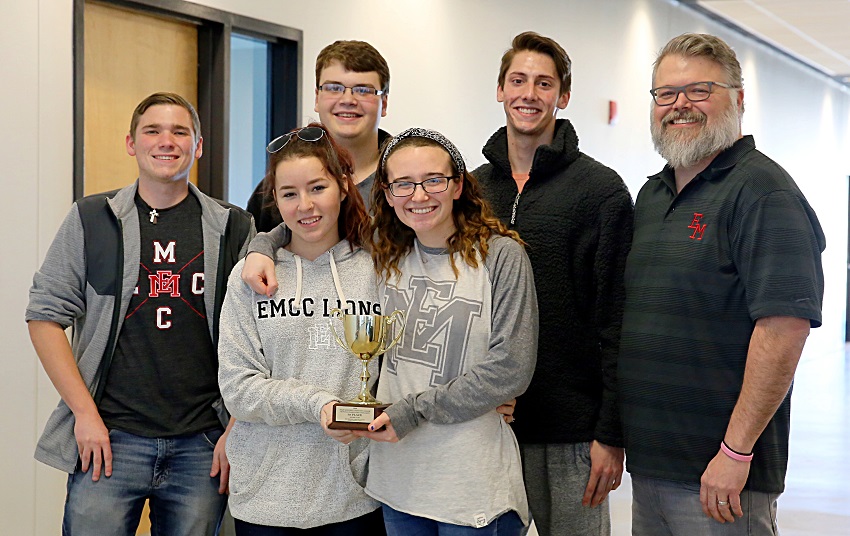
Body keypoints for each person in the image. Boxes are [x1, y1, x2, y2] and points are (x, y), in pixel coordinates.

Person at [619, 33, 825, 535]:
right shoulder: (652, 194)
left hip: (722, 478)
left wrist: (736, 451)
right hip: (651, 469)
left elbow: (784, 327)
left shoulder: (763, 191)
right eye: (665, 93)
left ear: (737, 99)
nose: (680, 105)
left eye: (699, 90)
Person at [26, 92, 256, 534]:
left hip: (203, 443)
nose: (166, 141)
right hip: (110, 439)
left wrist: (237, 427)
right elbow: (45, 317)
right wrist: (85, 415)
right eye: (152, 131)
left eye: (179, 132)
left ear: (198, 145)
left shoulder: (234, 227)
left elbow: (259, 337)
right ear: (131, 143)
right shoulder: (92, 218)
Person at [472, 32, 634, 536]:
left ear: (562, 97)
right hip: (488, 426)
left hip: (573, 435)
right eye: (517, 80)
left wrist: (610, 433)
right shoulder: (472, 190)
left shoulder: (600, 191)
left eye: (544, 83)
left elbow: (616, 318)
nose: (529, 93)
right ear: (499, 89)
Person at [351, 127, 537, 535]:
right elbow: (305, 230)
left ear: (457, 186)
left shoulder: (501, 256)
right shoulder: (383, 256)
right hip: (398, 481)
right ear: (386, 192)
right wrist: (261, 243)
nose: (418, 196)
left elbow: (511, 367)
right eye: (403, 184)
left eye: (433, 180)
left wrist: (411, 411)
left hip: (471, 486)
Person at [217, 123, 385, 535]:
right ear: (274, 199)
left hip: (355, 499)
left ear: (344, 187)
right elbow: (238, 386)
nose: (305, 205)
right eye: (289, 193)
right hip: (265, 501)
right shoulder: (251, 276)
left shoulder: (379, 269)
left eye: (317, 188)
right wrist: (319, 405)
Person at [247, 39, 391, 231]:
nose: (348, 100)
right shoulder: (280, 185)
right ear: (317, 98)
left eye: (363, 90)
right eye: (334, 88)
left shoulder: (407, 181)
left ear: (385, 103)